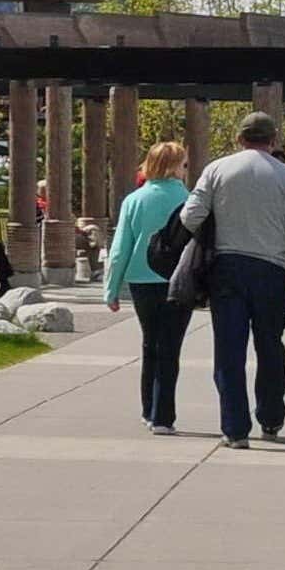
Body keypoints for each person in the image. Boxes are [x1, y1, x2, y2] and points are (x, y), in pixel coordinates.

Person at [179, 111, 285, 450]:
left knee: (229, 349)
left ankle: (235, 428)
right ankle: (271, 417)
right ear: (273, 140)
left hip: (227, 266)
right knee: (270, 346)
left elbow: (190, 216)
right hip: (272, 269)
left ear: (239, 138)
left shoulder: (217, 169)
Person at [102, 143, 193, 434]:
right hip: (177, 279)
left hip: (141, 278)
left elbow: (119, 249)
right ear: (175, 166)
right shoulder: (190, 200)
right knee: (170, 347)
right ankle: (164, 415)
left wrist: (111, 289)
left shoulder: (134, 200)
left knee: (149, 343)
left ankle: (147, 409)